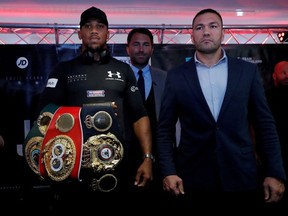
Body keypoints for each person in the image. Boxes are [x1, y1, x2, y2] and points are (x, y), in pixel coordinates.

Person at [24, 6, 153, 213]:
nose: (94, 30)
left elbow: (140, 116)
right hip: (73, 171)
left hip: (117, 170)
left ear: (107, 33)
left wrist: (147, 158)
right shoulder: (63, 70)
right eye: (88, 26)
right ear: (79, 33)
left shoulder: (123, 70)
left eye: (100, 26)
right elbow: (44, 116)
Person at [156, 8, 286, 213]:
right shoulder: (176, 76)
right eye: (199, 27)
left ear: (223, 33)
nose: (206, 32)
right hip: (192, 179)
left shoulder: (247, 72)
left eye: (213, 26)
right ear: (192, 35)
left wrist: (275, 172)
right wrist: (168, 171)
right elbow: (164, 130)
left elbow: (265, 125)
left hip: (242, 178)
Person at [125, 27, 169, 209]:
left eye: (146, 45)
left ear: (152, 49)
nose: (141, 49)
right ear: (127, 48)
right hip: (126, 155)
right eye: (136, 44)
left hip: (159, 156)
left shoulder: (165, 78)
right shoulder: (118, 77)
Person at [265, 60, 288, 211]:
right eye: (283, 73)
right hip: (275, 151)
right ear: (274, 75)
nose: (287, 76)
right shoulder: (266, 96)